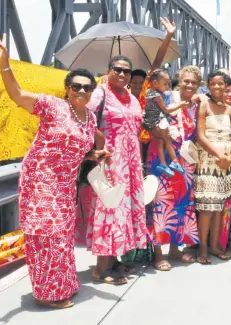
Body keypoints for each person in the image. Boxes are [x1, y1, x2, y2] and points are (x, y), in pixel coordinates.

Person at [0, 33, 109, 308]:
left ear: (92, 92)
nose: (81, 91)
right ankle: (47, 293)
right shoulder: (52, 106)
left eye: (87, 87)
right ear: (67, 88)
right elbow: (17, 95)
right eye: (76, 86)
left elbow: (79, 150)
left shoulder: (89, 118)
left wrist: (94, 154)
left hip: (65, 183)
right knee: (47, 234)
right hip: (40, 179)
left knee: (63, 235)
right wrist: (3, 63)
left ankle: (63, 285)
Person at [79, 56, 149, 285]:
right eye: (117, 69)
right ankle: (101, 267)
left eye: (126, 71)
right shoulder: (100, 93)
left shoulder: (131, 98)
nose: (122, 74)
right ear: (108, 70)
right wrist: (98, 143)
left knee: (123, 210)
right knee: (109, 210)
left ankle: (114, 258)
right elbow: (85, 119)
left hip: (130, 164)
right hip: (109, 162)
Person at [142, 65, 202, 271]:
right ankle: (159, 254)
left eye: (194, 82)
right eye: (186, 81)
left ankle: (176, 248)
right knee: (161, 204)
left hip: (184, 162)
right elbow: (148, 121)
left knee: (181, 204)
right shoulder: (165, 97)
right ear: (179, 80)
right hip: (162, 159)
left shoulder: (194, 105)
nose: (190, 85)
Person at [194, 70, 231, 264]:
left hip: (227, 162)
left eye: (221, 84)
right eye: (213, 84)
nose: (217, 87)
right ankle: (203, 248)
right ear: (208, 85)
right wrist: (218, 155)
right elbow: (201, 136)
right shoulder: (204, 105)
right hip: (208, 161)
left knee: (219, 206)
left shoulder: (230, 110)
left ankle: (214, 245)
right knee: (206, 206)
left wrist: (230, 156)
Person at [142, 68, 187, 176]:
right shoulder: (157, 96)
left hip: (151, 120)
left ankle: (163, 164)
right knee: (167, 141)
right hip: (158, 120)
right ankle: (175, 161)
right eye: (165, 84)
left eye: (168, 84)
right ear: (155, 83)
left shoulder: (150, 92)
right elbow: (166, 110)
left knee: (161, 141)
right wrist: (180, 105)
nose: (167, 87)